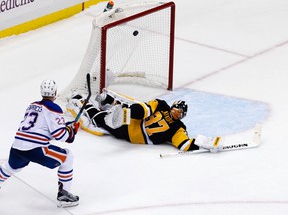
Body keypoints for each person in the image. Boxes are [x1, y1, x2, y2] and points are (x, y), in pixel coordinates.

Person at [0, 80, 80, 208]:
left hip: (17, 146)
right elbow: (60, 136)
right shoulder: (54, 108)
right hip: (35, 149)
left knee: (11, 167)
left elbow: (39, 129)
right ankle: (64, 195)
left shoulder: (32, 106)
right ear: (55, 92)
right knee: (67, 157)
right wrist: (71, 131)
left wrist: (66, 127)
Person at [67, 89, 223, 153]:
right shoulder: (177, 126)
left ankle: (103, 102)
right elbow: (184, 145)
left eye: (178, 113)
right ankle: (106, 105)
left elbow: (184, 144)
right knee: (101, 120)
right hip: (131, 132)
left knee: (104, 118)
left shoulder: (164, 107)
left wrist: (200, 143)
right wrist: (202, 144)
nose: (175, 113)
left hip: (130, 129)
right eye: (176, 110)